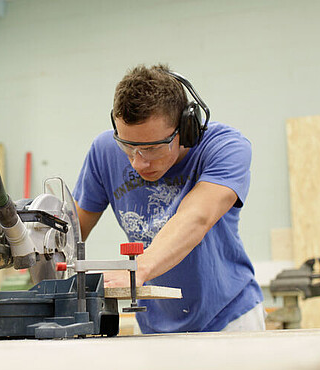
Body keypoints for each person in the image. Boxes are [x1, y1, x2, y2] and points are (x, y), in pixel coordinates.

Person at [72, 64, 265, 333]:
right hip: (152, 324)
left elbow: (196, 217)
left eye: (152, 148)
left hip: (228, 320)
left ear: (186, 129)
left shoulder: (226, 148)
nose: (138, 163)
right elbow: (71, 232)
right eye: (128, 147)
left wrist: (141, 266)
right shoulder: (103, 150)